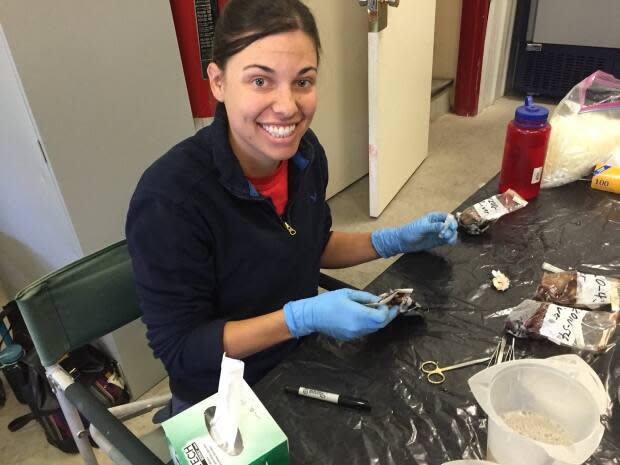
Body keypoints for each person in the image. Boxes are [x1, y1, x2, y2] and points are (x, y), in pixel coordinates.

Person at [126, 0, 457, 415]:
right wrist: (299, 319)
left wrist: (392, 239)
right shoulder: (170, 199)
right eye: (260, 81)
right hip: (225, 396)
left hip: (301, 360)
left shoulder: (306, 156)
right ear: (218, 82)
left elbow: (310, 244)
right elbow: (183, 349)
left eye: (303, 82)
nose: (287, 106)